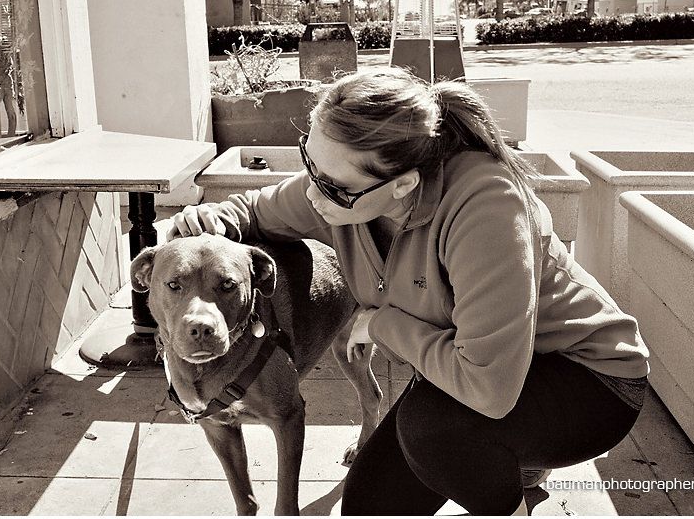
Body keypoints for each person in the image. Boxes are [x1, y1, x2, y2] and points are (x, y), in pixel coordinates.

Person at [169, 67, 649, 515]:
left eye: (333, 186)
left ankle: (514, 493)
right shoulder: (339, 192)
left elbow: (488, 389)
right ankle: (508, 464)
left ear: (403, 185)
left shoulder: (487, 208)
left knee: (434, 430)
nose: (313, 195)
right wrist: (214, 221)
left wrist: (379, 323)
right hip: (468, 368)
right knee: (369, 505)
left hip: (585, 378)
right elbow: (253, 209)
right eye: (308, 163)